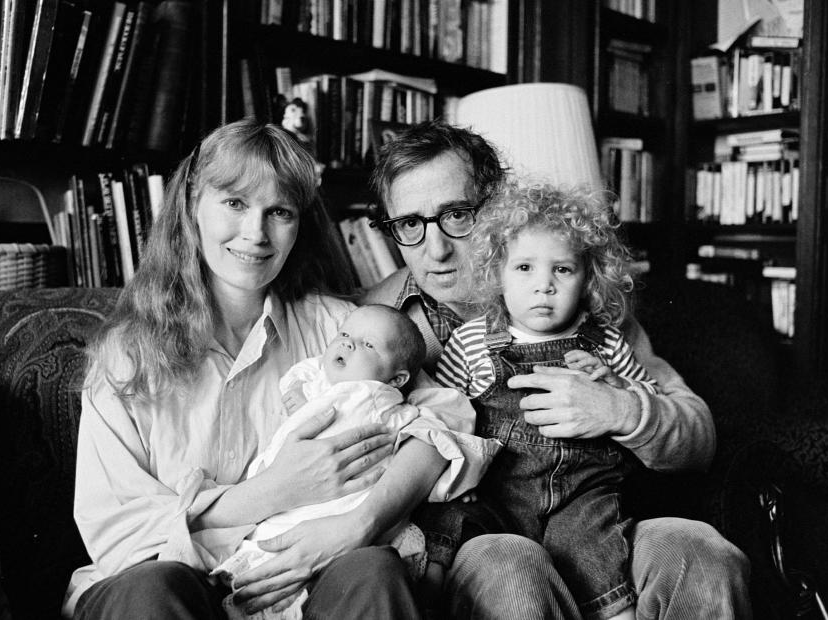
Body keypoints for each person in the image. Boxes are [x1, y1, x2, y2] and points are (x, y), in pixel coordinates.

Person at [63, 119, 494, 620]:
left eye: (279, 212)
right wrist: (272, 492)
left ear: (298, 227)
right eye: (235, 203)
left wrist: (360, 522)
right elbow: (117, 532)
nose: (255, 233)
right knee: (152, 589)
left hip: (302, 580)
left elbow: (445, 422)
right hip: (167, 583)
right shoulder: (127, 357)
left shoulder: (339, 327)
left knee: (372, 569)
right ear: (191, 209)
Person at [363, 119, 753, 619]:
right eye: (410, 224)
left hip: (597, 521)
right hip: (483, 536)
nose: (435, 249)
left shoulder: (576, 304)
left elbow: (697, 435)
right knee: (508, 563)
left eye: (457, 215)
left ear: (496, 209)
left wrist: (622, 408)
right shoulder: (371, 322)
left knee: (700, 551)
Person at [435, 182, 658, 620]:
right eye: (524, 268)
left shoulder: (606, 342)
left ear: (589, 277)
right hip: (498, 490)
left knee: (597, 551)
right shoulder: (473, 341)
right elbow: (441, 413)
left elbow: (645, 397)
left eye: (562, 270)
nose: (544, 287)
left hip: (583, 495)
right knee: (448, 526)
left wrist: (614, 387)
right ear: (496, 272)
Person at [211, 304, 499, 619]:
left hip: (341, 526)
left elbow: (441, 431)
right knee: (265, 559)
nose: (348, 343)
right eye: (345, 334)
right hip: (276, 505)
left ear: (397, 379)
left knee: (290, 573)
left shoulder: (384, 404)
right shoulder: (320, 387)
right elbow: (308, 372)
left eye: (368, 344)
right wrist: (302, 397)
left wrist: (453, 482)